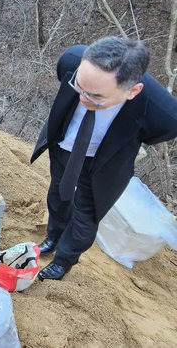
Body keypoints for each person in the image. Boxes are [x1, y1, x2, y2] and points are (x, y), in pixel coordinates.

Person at [31, 36, 177, 280]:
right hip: (65, 143)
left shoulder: (162, 114)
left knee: (86, 216)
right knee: (58, 192)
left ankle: (64, 261)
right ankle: (54, 235)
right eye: (79, 87)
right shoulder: (71, 60)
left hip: (104, 163)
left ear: (132, 91)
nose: (83, 98)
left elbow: (155, 133)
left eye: (96, 97)